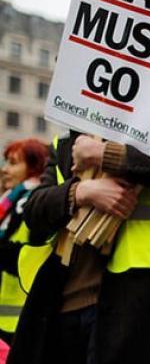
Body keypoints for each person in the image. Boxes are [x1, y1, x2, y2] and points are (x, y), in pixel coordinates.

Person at [7, 131, 150, 364]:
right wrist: (81, 192)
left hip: (138, 298)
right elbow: (34, 212)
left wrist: (102, 154)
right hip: (65, 304)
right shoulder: (66, 142)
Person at [0, 138, 48, 343]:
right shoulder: (10, 200)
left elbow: (30, 255)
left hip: (21, 320)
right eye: (6, 162)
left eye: (13, 163)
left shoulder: (32, 201)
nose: (5, 169)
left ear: (34, 166)